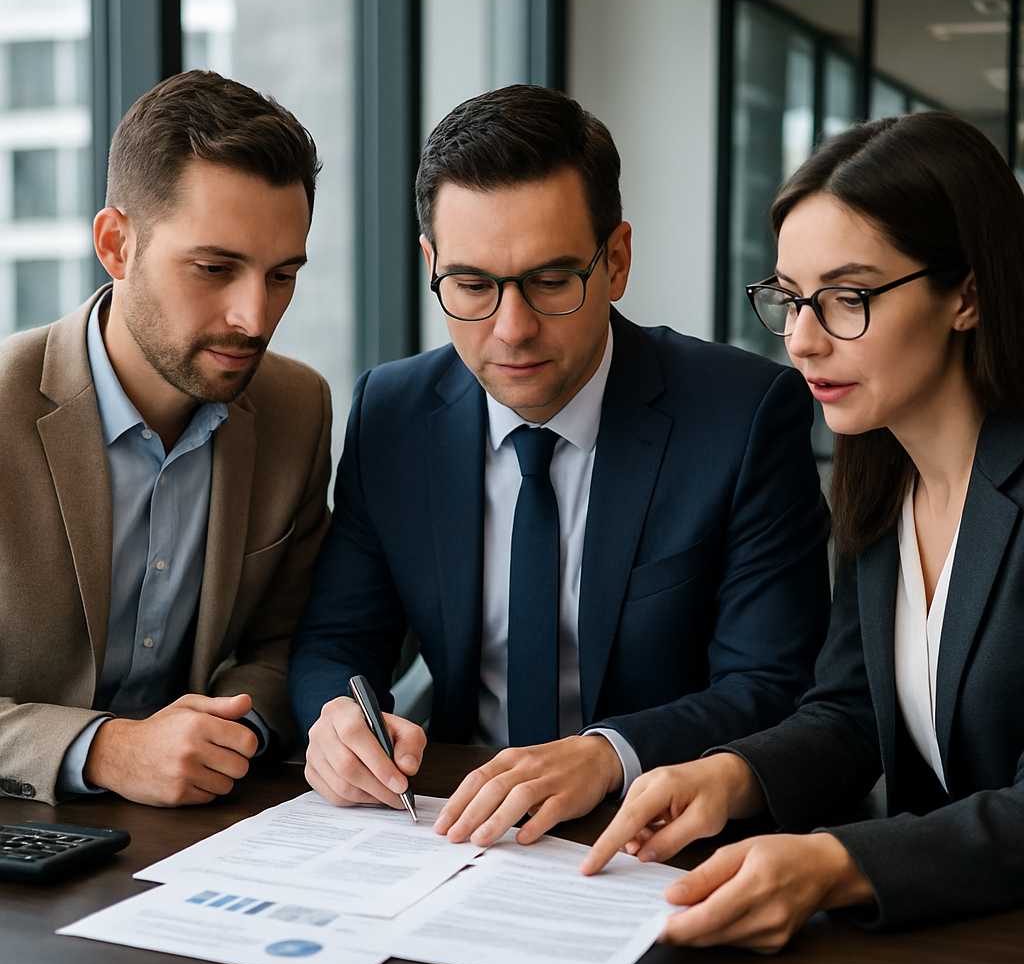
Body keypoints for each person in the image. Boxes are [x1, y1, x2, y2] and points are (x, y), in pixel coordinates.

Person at [290, 83, 829, 848]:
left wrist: (605, 756)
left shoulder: (742, 415)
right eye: (472, 285)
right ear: (431, 265)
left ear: (616, 260)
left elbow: (773, 683)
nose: (512, 330)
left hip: (657, 830)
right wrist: (335, 721)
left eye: (549, 282)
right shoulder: (394, 411)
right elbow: (339, 639)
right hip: (449, 822)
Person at [582, 109, 1024, 949]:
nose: (803, 341)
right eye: (789, 299)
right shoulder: (880, 475)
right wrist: (729, 774)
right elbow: (852, 714)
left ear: (966, 294)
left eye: (847, 298)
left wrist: (835, 863)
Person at [0, 70, 332, 807]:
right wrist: (106, 748)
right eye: (215, 268)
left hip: (198, 833)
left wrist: (231, 730)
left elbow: (285, 646)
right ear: (117, 245)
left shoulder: (297, 408)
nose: (255, 316)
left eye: (282, 275)